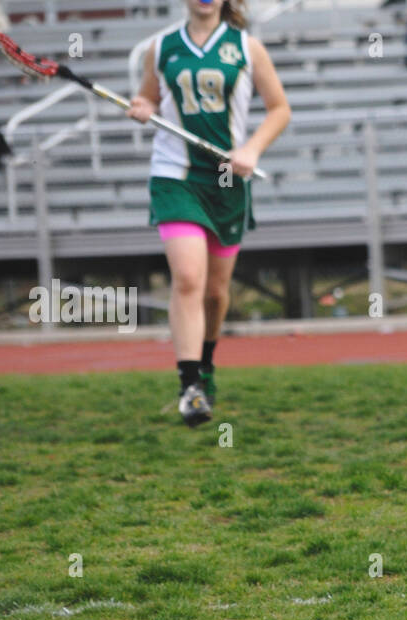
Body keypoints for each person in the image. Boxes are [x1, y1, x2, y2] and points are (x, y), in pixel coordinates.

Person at [127, 0, 289, 427]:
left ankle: (207, 361)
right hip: (175, 178)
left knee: (216, 293)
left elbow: (280, 108)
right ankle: (190, 385)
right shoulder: (160, 48)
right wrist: (143, 107)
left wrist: (252, 149)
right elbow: (148, 98)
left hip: (224, 181)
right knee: (188, 279)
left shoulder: (247, 47)